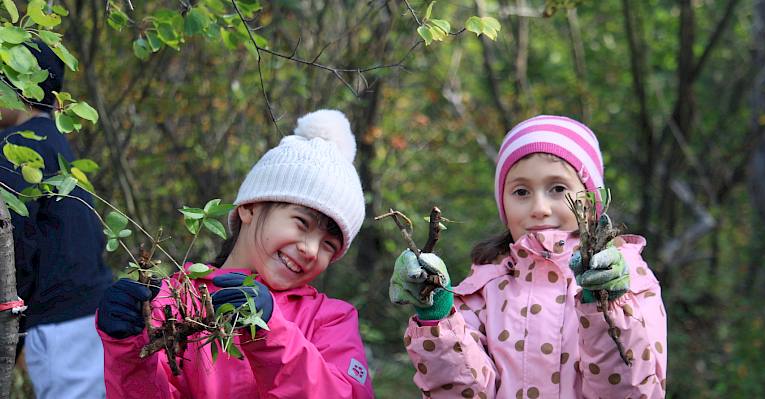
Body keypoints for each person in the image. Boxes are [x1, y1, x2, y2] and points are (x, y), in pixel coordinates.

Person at [96, 110, 374, 398]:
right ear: (250, 208)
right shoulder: (174, 300)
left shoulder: (330, 319)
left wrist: (272, 332)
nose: (311, 249)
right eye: (301, 223)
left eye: (329, 244)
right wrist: (127, 349)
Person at [389, 115, 668, 398]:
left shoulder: (630, 277)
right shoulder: (483, 288)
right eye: (521, 191)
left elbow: (632, 390)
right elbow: (459, 392)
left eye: (558, 189)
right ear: (504, 204)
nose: (539, 208)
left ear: (590, 199)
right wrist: (437, 317)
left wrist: (606, 305)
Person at [0, 40, 113, 398]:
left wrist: (11, 330)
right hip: (92, 313)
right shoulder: (54, 140)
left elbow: (14, 243)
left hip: (61, 323)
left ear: (20, 87)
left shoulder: (15, 147)